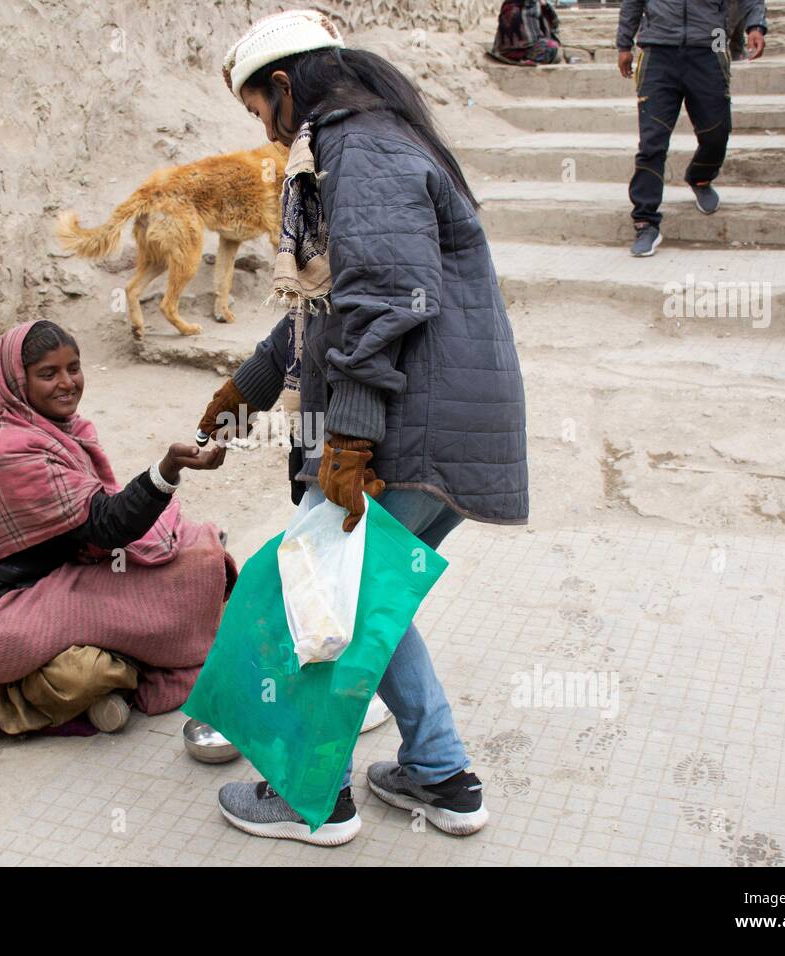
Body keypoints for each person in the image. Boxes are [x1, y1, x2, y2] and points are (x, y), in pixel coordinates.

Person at [200, 9, 529, 846]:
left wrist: (348, 440)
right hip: (437, 415)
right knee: (361, 594)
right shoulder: (363, 141)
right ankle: (440, 775)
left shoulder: (360, 147)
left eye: (257, 112)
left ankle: (313, 796)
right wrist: (248, 386)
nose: (265, 134)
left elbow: (386, 299)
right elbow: (332, 306)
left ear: (284, 87)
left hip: (413, 428)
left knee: (314, 595)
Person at [0, 319, 234, 736]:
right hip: (18, 596)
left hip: (78, 569)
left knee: (203, 561)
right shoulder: (10, 450)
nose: (66, 383)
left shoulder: (66, 431)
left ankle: (131, 655)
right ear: (18, 382)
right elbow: (106, 526)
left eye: (73, 368)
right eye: (48, 373)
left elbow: (102, 523)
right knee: (71, 672)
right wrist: (166, 470)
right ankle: (126, 668)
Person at [616, 0, 768, 257]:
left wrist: (756, 26)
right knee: (652, 142)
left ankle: (700, 176)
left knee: (716, 134)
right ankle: (645, 222)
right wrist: (624, 44)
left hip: (711, 47)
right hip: (657, 49)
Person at [490, 0, 564, 66]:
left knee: (554, 48)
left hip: (505, 49)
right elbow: (527, 38)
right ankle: (520, 56)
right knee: (554, 50)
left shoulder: (512, 3)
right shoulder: (527, 6)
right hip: (516, 50)